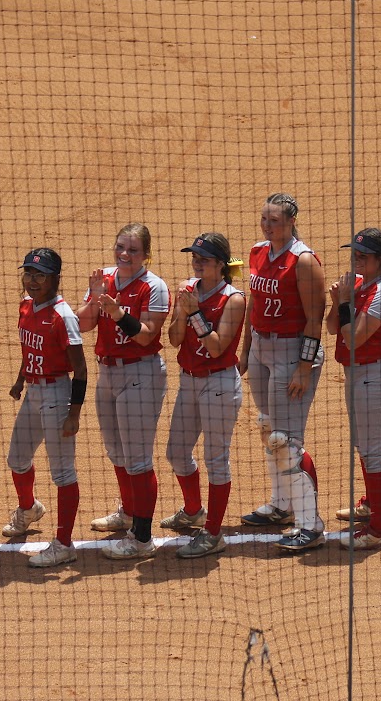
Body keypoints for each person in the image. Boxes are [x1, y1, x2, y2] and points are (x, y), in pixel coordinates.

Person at [238, 193, 328, 552]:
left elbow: (314, 317)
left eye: (274, 220)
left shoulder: (303, 261)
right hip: (261, 347)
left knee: (288, 439)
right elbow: (254, 305)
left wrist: (304, 367)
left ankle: (311, 524)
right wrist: (245, 350)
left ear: (291, 222)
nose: (267, 225)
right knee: (268, 429)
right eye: (264, 219)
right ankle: (282, 505)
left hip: (292, 351)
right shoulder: (258, 251)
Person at [76, 224, 170, 561]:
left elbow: (146, 336)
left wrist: (116, 313)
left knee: (138, 458)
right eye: (120, 247)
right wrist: (93, 294)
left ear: (146, 254)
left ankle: (142, 538)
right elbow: (84, 324)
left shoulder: (154, 287)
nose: (124, 254)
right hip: (108, 373)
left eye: (132, 250)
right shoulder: (106, 279)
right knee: (117, 451)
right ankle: (129, 511)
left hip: (140, 375)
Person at [3, 248, 88, 567]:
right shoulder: (26, 307)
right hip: (34, 393)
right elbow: (30, 350)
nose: (32, 281)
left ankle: (64, 543)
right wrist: (20, 379)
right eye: (28, 274)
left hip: (58, 395)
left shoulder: (64, 316)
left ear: (55, 278)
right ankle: (29, 508)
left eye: (40, 275)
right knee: (17, 458)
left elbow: (79, 369)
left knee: (63, 472)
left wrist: (74, 414)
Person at [163, 233, 246, 559]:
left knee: (216, 459)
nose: (197, 262)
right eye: (194, 256)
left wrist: (195, 313)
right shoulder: (187, 289)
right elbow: (172, 339)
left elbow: (216, 348)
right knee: (177, 452)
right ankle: (194, 510)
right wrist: (183, 313)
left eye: (204, 259)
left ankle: (213, 533)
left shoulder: (234, 299)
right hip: (189, 381)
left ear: (221, 265)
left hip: (219, 385)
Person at [327, 229, 381, 551]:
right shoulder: (358, 283)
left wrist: (344, 302)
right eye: (354, 254)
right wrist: (337, 303)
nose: (356, 259)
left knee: (373, 450)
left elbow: (354, 340)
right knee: (364, 444)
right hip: (358, 374)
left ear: (380, 260)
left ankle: (377, 530)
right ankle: (370, 505)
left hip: (376, 373)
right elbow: (333, 327)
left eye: (363, 256)